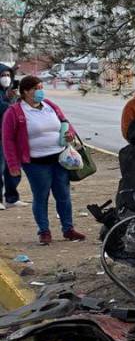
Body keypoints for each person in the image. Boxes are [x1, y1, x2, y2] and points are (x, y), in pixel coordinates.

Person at [1, 76, 86, 245]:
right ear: (26, 91)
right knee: (41, 196)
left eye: (41, 87)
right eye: (36, 88)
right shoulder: (15, 112)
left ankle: (68, 229)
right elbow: (8, 140)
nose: (40, 91)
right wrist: (12, 165)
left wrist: (69, 133)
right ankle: (44, 231)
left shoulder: (49, 105)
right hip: (36, 163)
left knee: (63, 195)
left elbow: (65, 122)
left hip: (60, 159)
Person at [0, 64, 23, 208]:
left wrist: (16, 99)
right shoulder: (5, 95)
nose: (6, 78)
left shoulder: (10, 91)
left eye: (8, 75)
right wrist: (11, 101)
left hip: (12, 136)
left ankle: (12, 198)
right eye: (3, 75)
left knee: (13, 167)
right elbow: (5, 109)